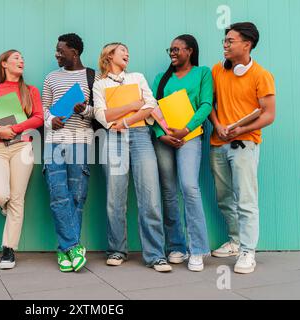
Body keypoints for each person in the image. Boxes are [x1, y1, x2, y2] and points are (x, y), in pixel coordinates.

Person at [93, 42, 171, 272]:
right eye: (121, 50)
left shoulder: (137, 77)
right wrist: (133, 105)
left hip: (139, 136)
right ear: (109, 56)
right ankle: (116, 250)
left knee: (150, 195)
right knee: (114, 197)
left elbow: (151, 105)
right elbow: (102, 115)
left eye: (128, 50)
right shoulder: (100, 83)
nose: (127, 53)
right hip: (113, 139)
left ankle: (156, 255)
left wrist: (125, 119)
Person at [209, 22, 276, 274]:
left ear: (246, 44)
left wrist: (241, 129)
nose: (225, 45)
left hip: (244, 144)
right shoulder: (217, 70)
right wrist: (217, 125)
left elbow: (269, 115)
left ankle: (248, 251)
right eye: (225, 41)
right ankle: (235, 241)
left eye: (230, 41)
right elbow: (211, 104)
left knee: (246, 200)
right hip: (218, 144)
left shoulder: (261, 75)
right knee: (224, 198)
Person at [152, 35, 213, 272]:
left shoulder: (202, 73)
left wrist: (187, 129)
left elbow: (206, 104)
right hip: (165, 139)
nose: (172, 53)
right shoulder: (161, 78)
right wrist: (161, 134)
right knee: (168, 190)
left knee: (189, 187)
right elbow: (153, 109)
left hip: (190, 136)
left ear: (190, 51)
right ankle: (176, 245)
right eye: (171, 49)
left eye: (177, 49)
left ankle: (197, 249)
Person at [0, 50, 44, 269]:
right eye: (16, 58)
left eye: (22, 58)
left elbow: (38, 117)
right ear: (4, 64)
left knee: (17, 198)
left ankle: (8, 249)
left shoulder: (30, 90)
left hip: (23, 146)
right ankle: (3, 205)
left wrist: (14, 129)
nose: (21, 61)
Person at [42, 33, 98, 272]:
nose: (57, 54)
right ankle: (73, 247)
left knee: (77, 196)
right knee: (57, 195)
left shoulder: (92, 77)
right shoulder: (51, 78)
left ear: (74, 52)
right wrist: (51, 119)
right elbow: (43, 109)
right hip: (54, 142)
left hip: (81, 141)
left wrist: (85, 110)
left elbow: (100, 112)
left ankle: (65, 250)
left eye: (60, 50)